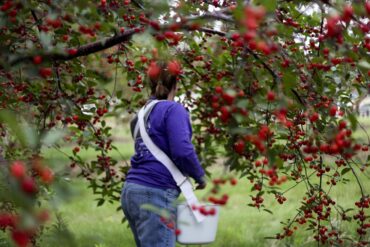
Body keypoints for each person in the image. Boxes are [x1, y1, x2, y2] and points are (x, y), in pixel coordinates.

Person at [120, 61, 207, 247]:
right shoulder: (173, 109)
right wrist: (199, 175)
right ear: (176, 83)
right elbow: (182, 151)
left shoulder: (140, 114)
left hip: (131, 191)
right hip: (155, 192)